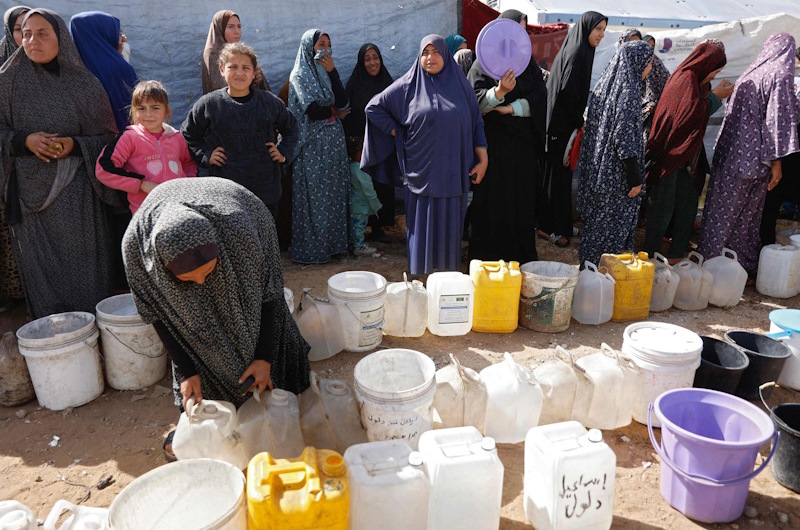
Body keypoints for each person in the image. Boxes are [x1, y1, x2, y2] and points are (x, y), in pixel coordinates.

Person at [122, 177, 310, 461]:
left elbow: (269, 294)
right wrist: (186, 371)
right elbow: (157, 315)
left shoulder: (241, 231)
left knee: (251, 326)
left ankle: (273, 391)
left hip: (236, 219)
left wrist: (264, 357)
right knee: (192, 321)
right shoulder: (136, 252)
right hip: (185, 246)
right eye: (188, 278)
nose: (200, 282)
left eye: (208, 271)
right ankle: (204, 423)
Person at [0, 8, 121, 319]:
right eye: (26, 34)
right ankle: (55, 345)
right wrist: (23, 141)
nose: (32, 40)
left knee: (87, 272)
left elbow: (109, 137)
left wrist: (75, 145)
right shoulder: (6, 83)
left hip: (78, 198)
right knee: (44, 278)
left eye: (42, 33)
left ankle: (95, 339)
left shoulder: (84, 84)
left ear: (61, 39)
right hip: (30, 203)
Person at [362, 34, 488, 275]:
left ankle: (446, 281)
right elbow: (373, 107)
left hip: (454, 171)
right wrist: (398, 133)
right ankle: (420, 279)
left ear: (446, 55)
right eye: (425, 53)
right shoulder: (409, 85)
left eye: (436, 52)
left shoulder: (462, 87)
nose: (430, 58)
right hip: (422, 173)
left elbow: (476, 125)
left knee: (450, 229)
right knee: (422, 229)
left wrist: (483, 159)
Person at [698, 33, 800, 273]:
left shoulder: (750, 73)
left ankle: (708, 268)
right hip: (756, 160)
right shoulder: (780, 75)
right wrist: (777, 161)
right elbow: (776, 119)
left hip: (730, 157)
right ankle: (739, 270)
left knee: (719, 215)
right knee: (746, 221)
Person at [183, 42, 298, 218]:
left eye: (246, 67)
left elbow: (291, 127)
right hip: (226, 192)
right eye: (233, 67)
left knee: (264, 241)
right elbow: (188, 134)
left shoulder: (268, 102)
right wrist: (206, 154)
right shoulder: (209, 104)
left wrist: (283, 152)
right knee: (233, 241)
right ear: (221, 69)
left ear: (254, 73)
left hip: (265, 189)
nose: (239, 72)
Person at [468, 9, 547, 264]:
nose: (520, 36)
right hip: (492, 148)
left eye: (524, 31)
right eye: (517, 29)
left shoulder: (528, 64)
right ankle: (487, 260)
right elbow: (473, 101)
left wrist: (513, 107)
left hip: (522, 149)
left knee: (520, 201)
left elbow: (540, 97)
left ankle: (519, 258)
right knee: (492, 203)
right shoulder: (484, 63)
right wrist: (498, 92)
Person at [643, 43, 732, 263]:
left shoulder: (698, 81)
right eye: (715, 70)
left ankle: (675, 256)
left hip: (687, 155)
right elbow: (688, 117)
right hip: (670, 153)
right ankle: (649, 256)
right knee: (662, 207)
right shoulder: (685, 79)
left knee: (688, 202)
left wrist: (710, 93)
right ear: (706, 64)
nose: (715, 74)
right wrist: (715, 97)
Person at [577, 40, 654, 267]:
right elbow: (625, 141)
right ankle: (603, 282)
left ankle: (588, 275)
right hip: (617, 180)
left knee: (596, 229)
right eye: (649, 63)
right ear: (638, 63)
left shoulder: (606, 85)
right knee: (610, 237)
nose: (650, 68)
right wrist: (636, 180)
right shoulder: (629, 92)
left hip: (599, 174)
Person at [538, 11, 607, 247]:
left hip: (564, 125)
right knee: (555, 178)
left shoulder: (582, 51)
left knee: (563, 176)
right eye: (598, 29)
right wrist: (580, 121)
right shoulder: (577, 53)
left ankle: (564, 224)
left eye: (604, 30)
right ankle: (548, 228)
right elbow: (567, 93)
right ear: (587, 29)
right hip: (559, 126)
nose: (601, 35)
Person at [287, 29, 350, 264]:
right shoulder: (299, 76)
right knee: (314, 197)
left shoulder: (328, 73)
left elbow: (343, 101)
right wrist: (334, 111)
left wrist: (333, 72)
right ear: (308, 47)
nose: (324, 49)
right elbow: (313, 110)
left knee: (334, 193)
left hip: (334, 142)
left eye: (328, 45)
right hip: (311, 144)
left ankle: (337, 246)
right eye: (320, 44)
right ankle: (314, 250)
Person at [97, 80, 197, 214]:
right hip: (146, 212)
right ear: (134, 111)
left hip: (178, 208)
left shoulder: (177, 137)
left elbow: (189, 163)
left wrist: (186, 185)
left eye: (155, 108)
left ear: (167, 111)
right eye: (141, 108)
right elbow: (104, 169)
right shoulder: (129, 138)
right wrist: (141, 184)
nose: (148, 114)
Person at [344, 42, 396, 244]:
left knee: (383, 183)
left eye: (375, 57)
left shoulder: (388, 83)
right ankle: (361, 228)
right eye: (368, 59)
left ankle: (380, 227)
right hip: (362, 146)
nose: (372, 62)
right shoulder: (354, 85)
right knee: (365, 185)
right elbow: (349, 116)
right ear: (361, 62)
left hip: (384, 145)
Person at [0, 5, 29, 312]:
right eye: (21, 29)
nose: (28, 36)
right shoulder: (2, 73)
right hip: (7, 171)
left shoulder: (53, 70)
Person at [69, 11, 138, 133]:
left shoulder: (69, 68)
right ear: (103, 34)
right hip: (121, 144)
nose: (122, 38)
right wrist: (122, 60)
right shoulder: (119, 69)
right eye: (119, 33)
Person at [201, 10, 268, 94]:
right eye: (231, 26)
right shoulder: (213, 53)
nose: (237, 31)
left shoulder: (239, 51)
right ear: (220, 28)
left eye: (239, 26)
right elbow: (224, 87)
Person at [347, 137, 381, 255]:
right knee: (359, 227)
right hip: (361, 205)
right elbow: (368, 190)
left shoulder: (350, 167)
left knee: (355, 226)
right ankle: (359, 247)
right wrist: (376, 204)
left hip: (354, 203)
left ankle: (356, 244)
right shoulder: (361, 171)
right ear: (360, 153)